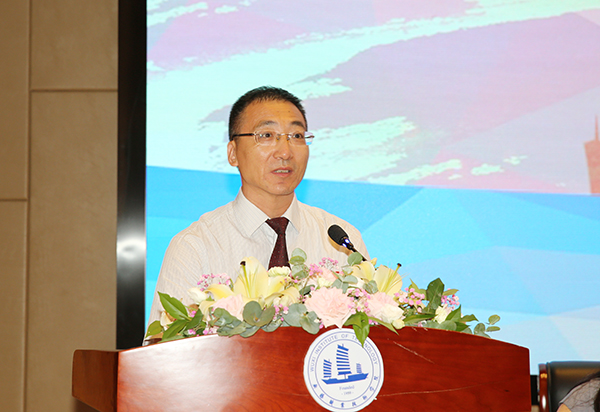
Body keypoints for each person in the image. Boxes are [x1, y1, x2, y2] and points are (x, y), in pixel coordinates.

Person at [147, 86, 368, 325]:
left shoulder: (342, 242)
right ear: (233, 153)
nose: (285, 152)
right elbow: (164, 343)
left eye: (296, 136)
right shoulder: (195, 246)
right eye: (266, 135)